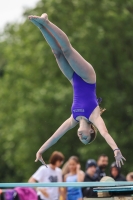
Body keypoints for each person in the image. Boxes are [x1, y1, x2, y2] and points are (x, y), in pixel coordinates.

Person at [28, 13, 126, 167]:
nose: (81, 137)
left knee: (58, 54)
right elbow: (105, 133)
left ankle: (41, 26)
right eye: (85, 138)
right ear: (91, 132)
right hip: (87, 77)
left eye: (81, 139)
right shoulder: (94, 116)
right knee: (67, 50)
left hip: (74, 79)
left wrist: (41, 150)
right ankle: (47, 22)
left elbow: (55, 137)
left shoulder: (73, 119)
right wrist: (116, 150)